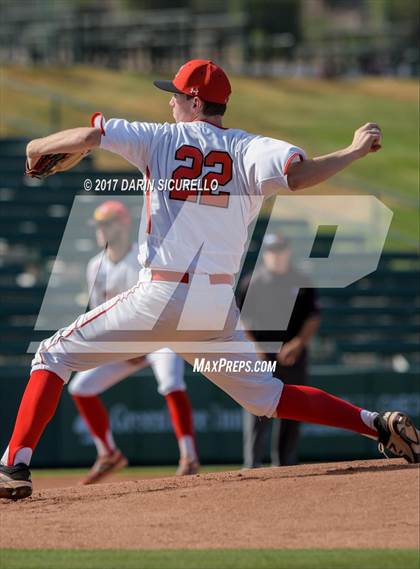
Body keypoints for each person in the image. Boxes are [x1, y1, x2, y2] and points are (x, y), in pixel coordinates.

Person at [1, 59, 418, 500]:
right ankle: (374, 423)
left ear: (195, 101)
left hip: (161, 292)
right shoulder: (249, 147)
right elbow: (300, 176)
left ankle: (14, 465)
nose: (171, 101)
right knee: (268, 397)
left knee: (52, 355)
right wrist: (353, 150)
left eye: (178, 94)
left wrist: (36, 146)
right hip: (213, 306)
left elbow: (88, 137)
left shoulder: (158, 137)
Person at [68, 200, 199, 483]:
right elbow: (102, 313)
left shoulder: (141, 258)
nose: (100, 230)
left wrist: (140, 345)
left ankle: (188, 456)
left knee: (171, 383)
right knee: (81, 387)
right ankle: (108, 454)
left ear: (124, 224)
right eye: (98, 226)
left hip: (160, 336)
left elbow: (158, 305)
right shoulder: (95, 266)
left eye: (106, 224)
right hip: (124, 341)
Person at [237, 234, 320, 468]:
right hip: (262, 355)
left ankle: (285, 464)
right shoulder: (252, 282)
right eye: (272, 250)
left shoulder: (300, 279)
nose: (276, 254)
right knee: (256, 410)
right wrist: (254, 348)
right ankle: (252, 464)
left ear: (288, 251)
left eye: (280, 249)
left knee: (293, 410)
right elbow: (239, 319)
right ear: (265, 254)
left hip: (292, 355)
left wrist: (297, 344)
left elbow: (312, 317)